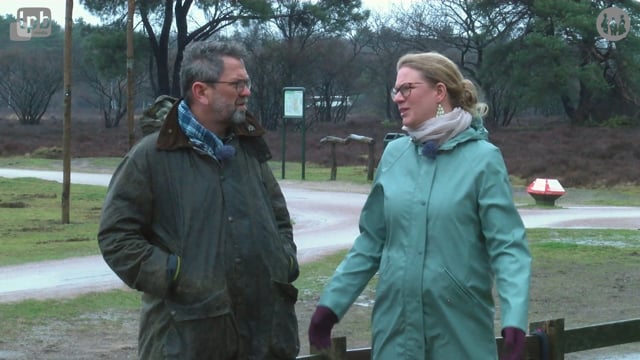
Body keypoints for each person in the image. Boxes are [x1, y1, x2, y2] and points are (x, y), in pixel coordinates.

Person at [308, 51, 532, 360]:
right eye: (395, 90)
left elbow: (508, 248)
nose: (398, 98)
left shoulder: (484, 159)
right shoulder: (394, 155)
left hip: (458, 334)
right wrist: (330, 306)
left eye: (406, 89)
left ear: (439, 92)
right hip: (395, 334)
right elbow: (372, 240)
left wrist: (515, 320)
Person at [98, 40, 300, 360]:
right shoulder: (150, 156)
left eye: (247, 83)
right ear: (201, 91)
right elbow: (116, 237)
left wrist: (284, 260)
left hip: (265, 338)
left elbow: (278, 219)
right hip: (187, 341)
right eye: (237, 84)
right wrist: (174, 274)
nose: (246, 91)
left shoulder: (248, 149)